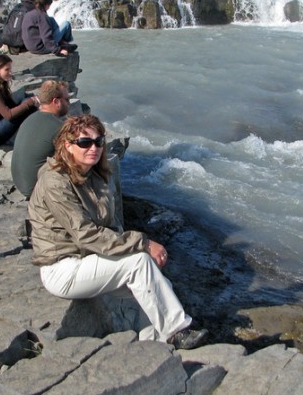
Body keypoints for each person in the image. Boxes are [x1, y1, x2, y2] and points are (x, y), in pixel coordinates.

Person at [28, 114, 209, 349]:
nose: (93, 147)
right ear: (67, 145)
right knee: (139, 264)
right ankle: (177, 331)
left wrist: (132, 245)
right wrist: (142, 243)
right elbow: (87, 234)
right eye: (85, 142)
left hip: (88, 258)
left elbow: (111, 226)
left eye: (98, 141)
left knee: (156, 283)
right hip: (62, 267)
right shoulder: (55, 182)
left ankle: (155, 344)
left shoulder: (96, 175)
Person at [11, 80, 70, 198]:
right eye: (67, 100)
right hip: (37, 191)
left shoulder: (29, 119)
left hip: (21, 184)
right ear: (56, 101)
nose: (69, 103)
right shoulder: (58, 127)